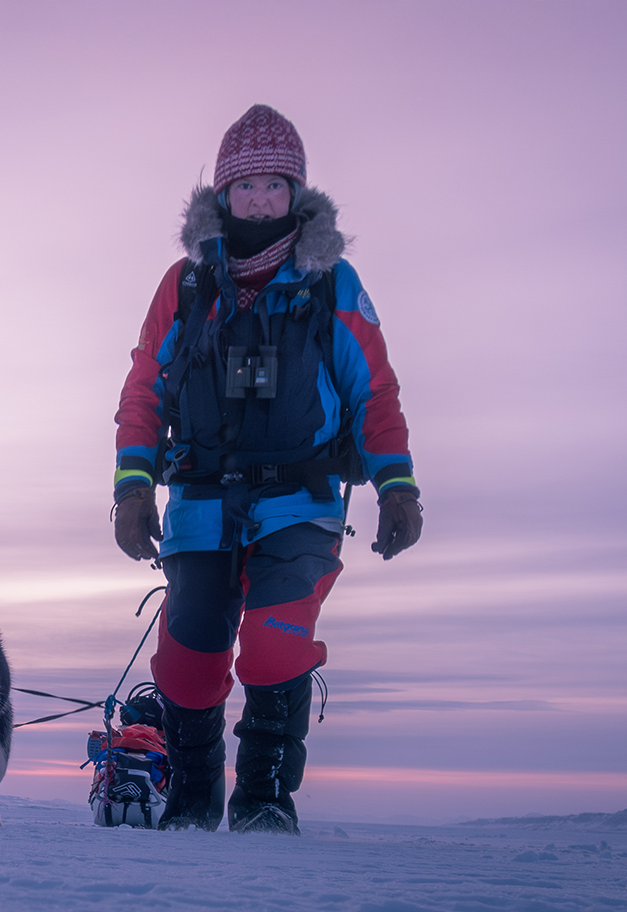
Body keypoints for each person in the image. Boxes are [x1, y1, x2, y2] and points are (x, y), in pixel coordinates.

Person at [111, 104, 422, 834]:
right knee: (189, 660)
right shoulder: (185, 287)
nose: (258, 199)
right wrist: (131, 487)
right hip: (198, 501)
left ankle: (264, 804)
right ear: (222, 194)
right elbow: (143, 389)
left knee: (278, 644)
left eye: (273, 184)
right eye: (244, 184)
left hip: (300, 499)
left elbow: (374, 390)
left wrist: (397, 484)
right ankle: (190, 802)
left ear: (296, 194)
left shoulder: (333, 284)